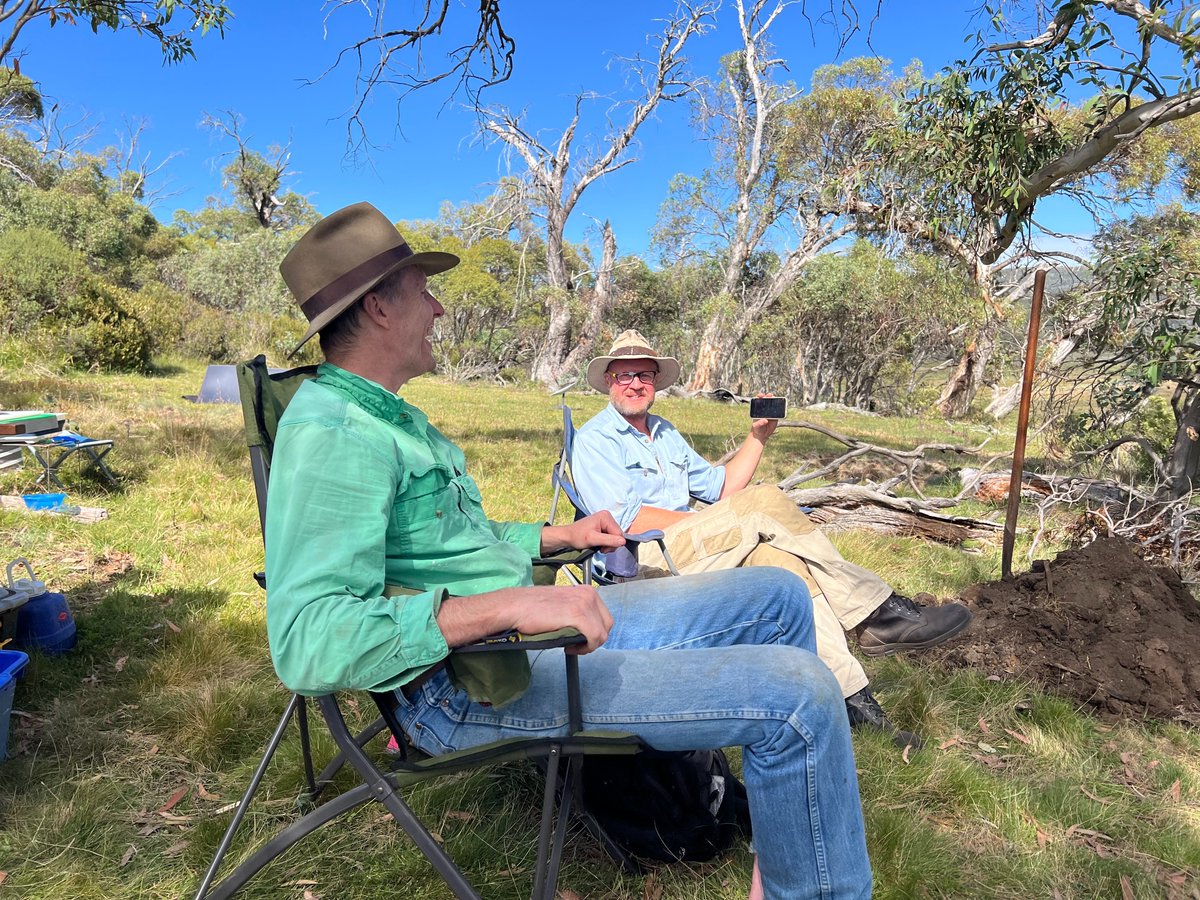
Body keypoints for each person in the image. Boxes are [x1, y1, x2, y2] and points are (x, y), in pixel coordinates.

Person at [265, 203, 872, 899]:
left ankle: (789, 860)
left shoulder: (389, 413)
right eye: (423, 292)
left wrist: (561, 538)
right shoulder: (335, 433)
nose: (436, 309)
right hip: (464, 685)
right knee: (801, 697)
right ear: (377, 307)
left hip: (515, 636)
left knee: (779, 596)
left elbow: (455, 545)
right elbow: (307, 643)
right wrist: (512, 603)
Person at [572, 330, 974, 748]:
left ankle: (856, 704)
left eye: (645, 374)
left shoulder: (664, 432)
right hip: (643, 558)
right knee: (762, 500)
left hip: (685, 544)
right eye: (624, 375)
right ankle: (882, 613)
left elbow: (720, 488)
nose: (635, 384)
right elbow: (627, 521)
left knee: (790, 570)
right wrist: (716, 521)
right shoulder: (596, 440)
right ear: (607, 381)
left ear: (657, 381)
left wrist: (758, 436)